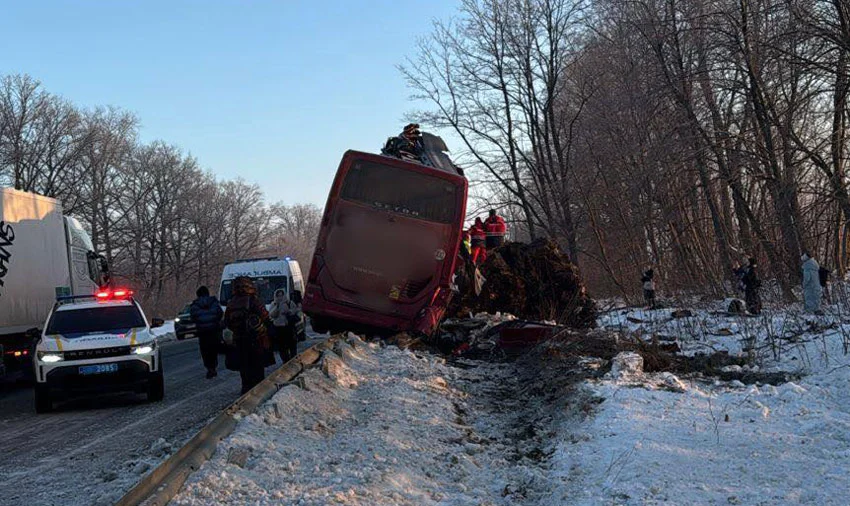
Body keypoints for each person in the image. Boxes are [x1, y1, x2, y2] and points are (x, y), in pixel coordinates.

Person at [224, 276, 271, 394]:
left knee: (244, 368)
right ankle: (259, 392)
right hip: (255, 339)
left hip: (239, 340)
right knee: (257, 367)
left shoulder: (231, 303)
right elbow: (265, 316)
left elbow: (226, 322)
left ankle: (246, 390)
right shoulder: (253, 300)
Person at [189, 286, 224, 379]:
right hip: (214, 330)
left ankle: (209, 368)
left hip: (202, 332)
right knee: (214, 349)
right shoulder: (214, 303)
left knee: (205, 350)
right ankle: (214, 365)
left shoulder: (195, 305)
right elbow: (220, 314)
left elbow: (193, 317)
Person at [269, 289, 298, 363]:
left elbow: (295, 310)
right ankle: (286, 361)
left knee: (292, 345)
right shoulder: (274, 304)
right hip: (278, 328)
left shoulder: (289, 303)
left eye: (281, 295)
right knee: (282, 347)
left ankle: (293, 360)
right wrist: (277, 307)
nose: (280, 297)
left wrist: (289, 312)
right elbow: (272, 315)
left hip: (288, 327)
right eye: (278, 296)